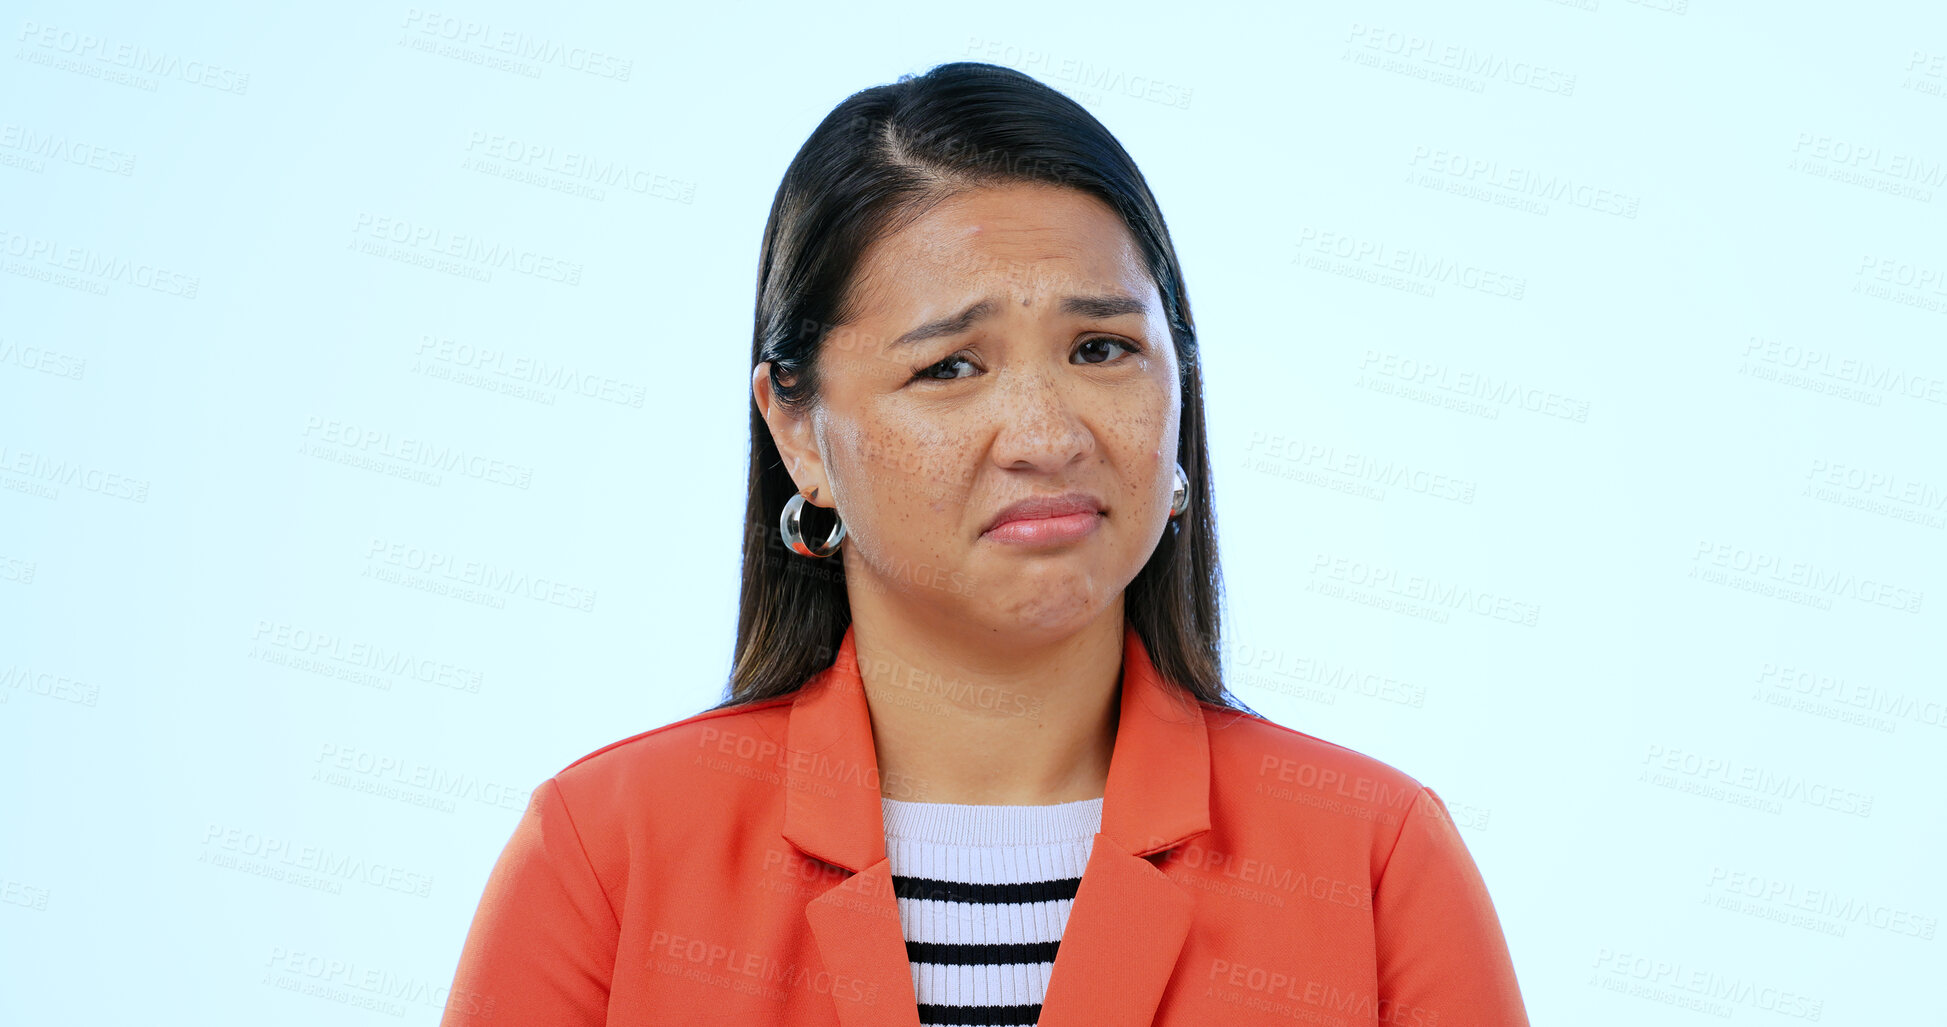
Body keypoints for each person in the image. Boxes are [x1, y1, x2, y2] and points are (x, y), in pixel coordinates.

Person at [438, 60, 1530, 1027]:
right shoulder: (608, 858)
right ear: (797, 429)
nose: (1049, 437)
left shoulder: (1377, 862)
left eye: (1101, 347)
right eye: (951, 367)